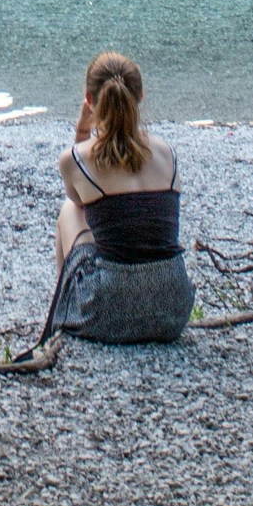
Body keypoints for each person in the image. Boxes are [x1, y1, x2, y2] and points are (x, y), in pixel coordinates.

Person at [46, 47, 195, 345]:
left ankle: (64, 305)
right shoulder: (168, 153)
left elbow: (78, 201)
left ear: (89, 101)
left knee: (68, 210)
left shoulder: (75, 158)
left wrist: (81, 130)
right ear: (141, 97)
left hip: (107, 311)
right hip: (173, 310)